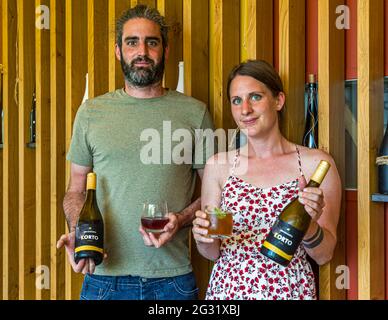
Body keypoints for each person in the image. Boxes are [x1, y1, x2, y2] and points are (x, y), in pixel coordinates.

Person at [56, 4, 215, 300]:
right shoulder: (91, 113)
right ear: (119, 51)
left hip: (172, 281)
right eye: (132, 42)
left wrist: (181, 218)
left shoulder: (195, 114)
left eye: (151, 42)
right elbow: (75, 190)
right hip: (103, 280)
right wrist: (80, 234)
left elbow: (213, 192)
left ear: (165, 51)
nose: (142, 51)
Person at [192, 60, 341, 300]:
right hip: (230, 292)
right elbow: (212, 252)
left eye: (255, 97)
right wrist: (203, 238)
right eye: (236, 100)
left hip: (290, 292)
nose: (245, 110)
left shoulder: (317, 165)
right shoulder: (218, 166)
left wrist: (309, 224)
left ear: (278, 100)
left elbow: (325, 255)